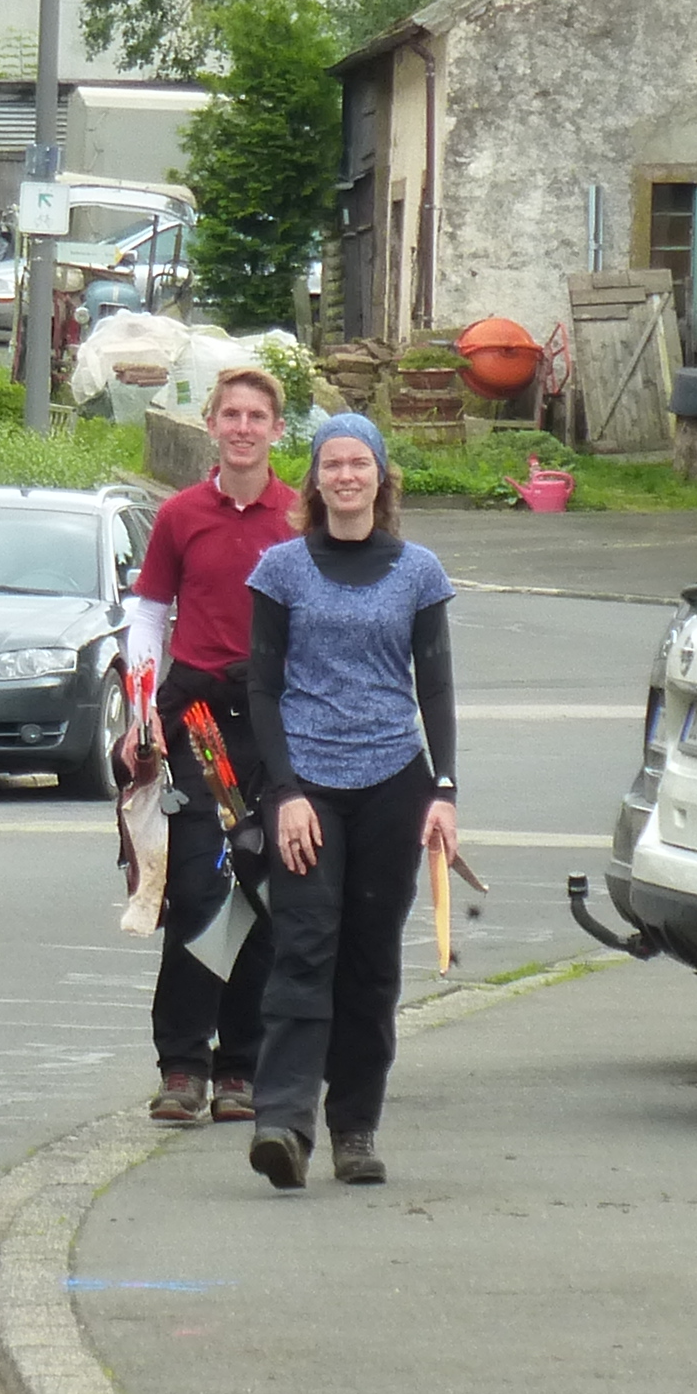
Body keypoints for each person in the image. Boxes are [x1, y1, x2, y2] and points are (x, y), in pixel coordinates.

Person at [238, 410, 458, 1191]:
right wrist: (284, 792)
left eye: (358, 463)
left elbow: (435, 687)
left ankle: (355, 1128)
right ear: (315, 479)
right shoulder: (281, 570)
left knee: (370, 961)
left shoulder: (419, 571)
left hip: (394, 782)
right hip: (308, 786)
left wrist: (445, 790)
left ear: (379, 475)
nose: (345, 476)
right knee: (304, 946)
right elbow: (262, 689)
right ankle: (283, 1122)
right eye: (331, 464)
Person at [124, 363, 305, 1125]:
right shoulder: (180, 515)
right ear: (211, 425)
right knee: (200, 887)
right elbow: (148, 613)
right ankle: (182, 1064)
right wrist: (142, 714)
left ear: (276, 430)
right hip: (199, 723)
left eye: (256, 417)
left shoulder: (299, 517)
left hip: (275, 723)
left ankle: (241, 1068)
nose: (242, 428)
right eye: (230, 414)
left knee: (261, 892)